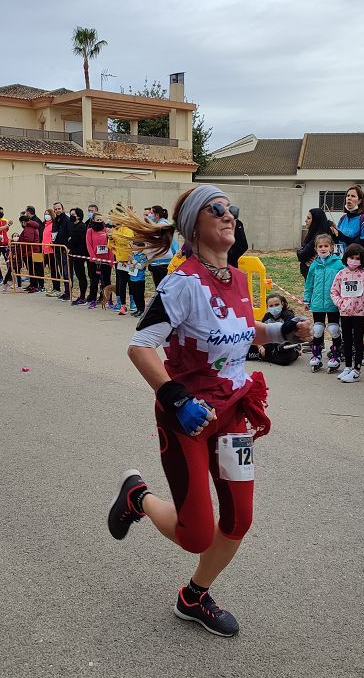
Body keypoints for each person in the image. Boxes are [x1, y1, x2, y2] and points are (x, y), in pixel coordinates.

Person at [107, 184, 311, 637]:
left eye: (230, 208)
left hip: (233, 415)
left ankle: (193, 597)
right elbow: (140, 346)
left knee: (239, 519)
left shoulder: (236, 278)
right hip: (188, 419)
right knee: (195, 534)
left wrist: (283, 332)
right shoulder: (181, 283)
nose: (228, 215)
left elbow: (243, 330)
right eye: (216, 209)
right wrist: (174, 398)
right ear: (193, 225)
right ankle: (137, 496)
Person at [329, 243, 364, 383]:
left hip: (359, 313)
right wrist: (340, 303)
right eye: (352, 257)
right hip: (345, 313)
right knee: (347, 341)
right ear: (346, 258)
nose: (354, 260)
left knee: (358, 341)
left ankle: (357, 369)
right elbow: (334, 291)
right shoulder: (341, 274)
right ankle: (348, 367)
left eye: (357, 258)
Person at [303, 233, 345, 372]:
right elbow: (309, 284)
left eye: (326, 246)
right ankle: (316, 356)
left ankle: (336, 355)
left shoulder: (338, 264)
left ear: (331, 247)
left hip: (333, 303)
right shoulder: (314, 266)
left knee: (334, 329)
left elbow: (343, 283)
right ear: (316, 248)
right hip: (317, 303)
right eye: (320, 246)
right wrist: (307, 299)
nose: (323, 248)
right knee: (318, 330)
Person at [248, 294, 301, 366]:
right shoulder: (267, 316)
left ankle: (265, 356)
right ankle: (266, 355)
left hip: (285, 345)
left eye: (277, 305)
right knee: (248, 345)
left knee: (284, 355)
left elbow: (290, 337)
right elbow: (259, 333)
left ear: (282, 304)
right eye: (271, 306)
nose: (274, 308)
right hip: (270, 344)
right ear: (267, 307)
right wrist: (260, 347)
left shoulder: (289, 316)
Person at [296, 208, 336, 278]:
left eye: (308, 218)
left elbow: (302, 255)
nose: (306, 221)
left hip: (315, 274)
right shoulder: (315, 232)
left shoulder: (318, 237)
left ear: (316, 221)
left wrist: (299, 250)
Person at [86, 212, 113, 308]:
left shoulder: (107, 230)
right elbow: (89, 245)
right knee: (94, 281)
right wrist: (94, 258)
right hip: (95, 261)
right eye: (97, 220)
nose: (99, 221)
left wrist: (110, 260)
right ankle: (93, 300)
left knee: (107, 282)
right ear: (93, 220)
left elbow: (110, 246)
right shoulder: (90, 231)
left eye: (101, 220)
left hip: (106, 260)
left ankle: (109, 301)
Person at [147, 206, 174, 287]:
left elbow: (156, 231)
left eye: (151, 213)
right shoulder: (163, 223)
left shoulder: (162, 224)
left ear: (157, 215)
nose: (149, 215)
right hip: (159, 261)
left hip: (161, 262)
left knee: (161, 288)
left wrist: (148, 222)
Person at [51, 201, 73, 300]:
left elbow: (70, 235)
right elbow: (54, 234)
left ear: (62, 209)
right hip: (57, 249)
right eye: (55, 209)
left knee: (66, 272)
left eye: (59, 208)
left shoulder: (67, 220)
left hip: (65, 250)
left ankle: (69, 293)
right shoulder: (55, 220)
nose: (57, 210)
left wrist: (68, 248)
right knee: (61, 272)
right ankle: (66, 292)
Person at [67, 207, 89, 304]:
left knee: (81, 276)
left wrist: (70, 241)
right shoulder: (72, 225)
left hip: (80, 254)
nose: (71, 216)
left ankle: (83, 296)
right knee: (78, 275)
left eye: (73, 215)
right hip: (74, 254)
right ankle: (81, 296)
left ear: (78, 216)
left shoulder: (82, 227)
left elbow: (74, 240)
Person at [127, 239, 149, 317]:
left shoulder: (143, 257)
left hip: (139, 279)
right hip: (132, 278)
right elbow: (131, 266)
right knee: (134, 295)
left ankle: (141, 310)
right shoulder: (134, 255)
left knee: (140, 295)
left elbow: (140, 267)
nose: (133, 249)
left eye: (135, 248)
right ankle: (137, 309)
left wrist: (133, 260)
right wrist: (129, 262)